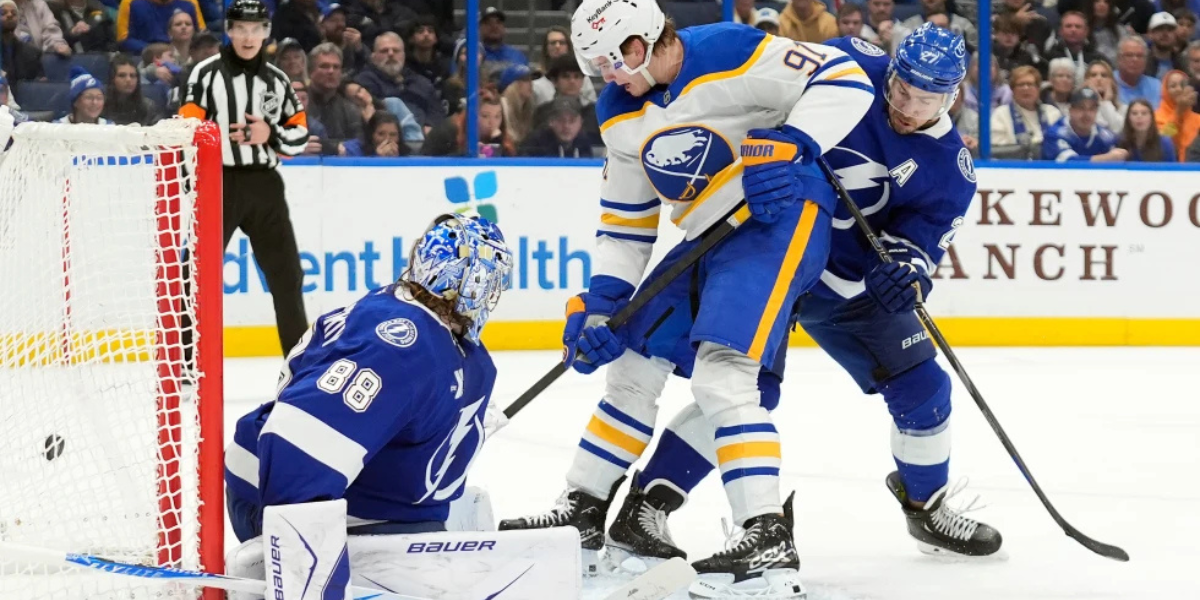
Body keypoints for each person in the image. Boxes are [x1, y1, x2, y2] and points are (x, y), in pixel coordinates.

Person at [548, 26, 1002, 585]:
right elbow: (773, 83)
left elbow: (918, 247)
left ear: (952, 97)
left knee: (925, 390)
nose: (907, 107)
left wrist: (903, 273)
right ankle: (648, 506)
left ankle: (926, 508)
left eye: (925, 99)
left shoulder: (951, 170)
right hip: (764, 243)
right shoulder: (852, 63)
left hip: (844, 290)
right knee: (742, 387)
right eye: (901, 90)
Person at [497, 1, 875, 596]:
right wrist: (602, 304)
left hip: (779, 218)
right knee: (631, 365)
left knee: (724, 374)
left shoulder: (728, 49)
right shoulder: (619, 110)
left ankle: (766, 536)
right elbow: (625, 222)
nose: (606, 77)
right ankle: (583, 511)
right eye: (595, 67)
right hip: (707, 233)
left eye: (610, 61)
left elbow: (845, 79)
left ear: (641, 42)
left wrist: (793, 142)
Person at [223, 214, 525, 600]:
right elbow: (296, 452)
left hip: (363, 501)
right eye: (492, 285)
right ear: (469, 286)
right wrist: (307, 571)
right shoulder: (402, 347)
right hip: (273, 496)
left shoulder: (455, 349)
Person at [179, 0, 310, 356]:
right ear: (229, 31)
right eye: (241, 29)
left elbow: (300, 135)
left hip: (265, 185)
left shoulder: (278, 80)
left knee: (287, 275)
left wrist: (270, 134)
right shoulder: (205, 74)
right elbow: (186, 128)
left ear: (266, 33)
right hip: (218, 183)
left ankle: (299, 363)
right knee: (195, 274)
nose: (248, 37)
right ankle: (187, 362)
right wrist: (193, 175)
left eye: (255, 30)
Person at [991, 65, 1063, 159]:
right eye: (1021, 85)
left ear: (1038, 89)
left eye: (1030, 84)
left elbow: (1061, 144)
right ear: (1012, 90)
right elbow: (998, 150)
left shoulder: (1052, 113)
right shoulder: (1001, 114)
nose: (1025, 88)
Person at [1041, 87, 1128, 161]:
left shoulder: (1106, 137)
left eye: (1092, 109)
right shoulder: (1054, 134)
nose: (1086, 114)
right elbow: (1069, 165)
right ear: (1070, 110)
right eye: (1081, 108)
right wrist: (1107, 158)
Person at [1155, 69, 1200, 160]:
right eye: (1173, 86)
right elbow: (1165, 142)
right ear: (1165, 91)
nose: (1179, 89)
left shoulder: (1198, 119)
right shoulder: (1156, 117)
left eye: (1182, 85)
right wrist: (1178, 112)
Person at [103, 54, 161, 125]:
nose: (128, 80)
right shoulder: (100, 105)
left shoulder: (148, 107)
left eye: (132, 76)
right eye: (122, 75)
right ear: (112, 79)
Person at [1083, 59, 1127, 129]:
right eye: (1093, 75)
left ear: (1111, 81)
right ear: (1086, 81)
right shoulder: (1077, 108)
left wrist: (1105, 102)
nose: (1099, 78)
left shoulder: (1124, 110)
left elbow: (1116, 129)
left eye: (1103, 75)